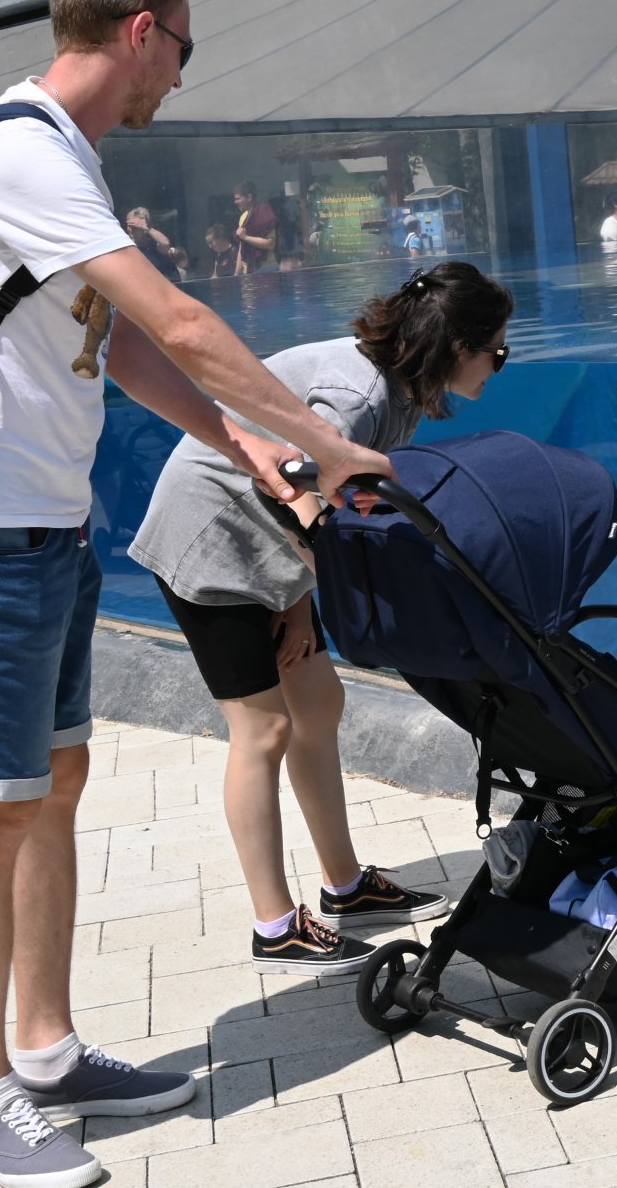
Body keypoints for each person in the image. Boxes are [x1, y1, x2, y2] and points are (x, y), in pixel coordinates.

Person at [0, 0, 397, 1188]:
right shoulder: (17, 151)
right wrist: (329, 442)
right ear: (144, 32)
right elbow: (178, 321)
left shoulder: (66, 161)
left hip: (44, 526)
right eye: (184, 49)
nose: (179, 75)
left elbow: (123, 353)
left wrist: (254, 444)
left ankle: (47, 1051)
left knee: (53, 784)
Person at [131, 262, 511, 976]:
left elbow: (312, 505)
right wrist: (306, 586)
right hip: (208, 546)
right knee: (264, 727)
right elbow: (295, 491)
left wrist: (297, 602)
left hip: (261, 556)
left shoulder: (393, 389)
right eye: (497, 347)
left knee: (319, 701)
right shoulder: (359, 392)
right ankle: (275, 926)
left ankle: (344, 888)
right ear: (458, 345)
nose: (500, 362)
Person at [124, 206, 184, 280]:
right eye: (129, 226)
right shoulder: (128, 248)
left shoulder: (154, 244)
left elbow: (165, 243)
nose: (130, 230)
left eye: (135, 227)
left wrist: (146, 228)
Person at [232, 180, 278, 272]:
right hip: (250, 270)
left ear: (249, 197)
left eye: (238, 199)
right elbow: (242, 248)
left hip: (267, 269)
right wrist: (236, 274)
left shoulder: (264, 213)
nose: (235, 202)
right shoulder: (243, 218)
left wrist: (245, 237)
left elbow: (270, 244)